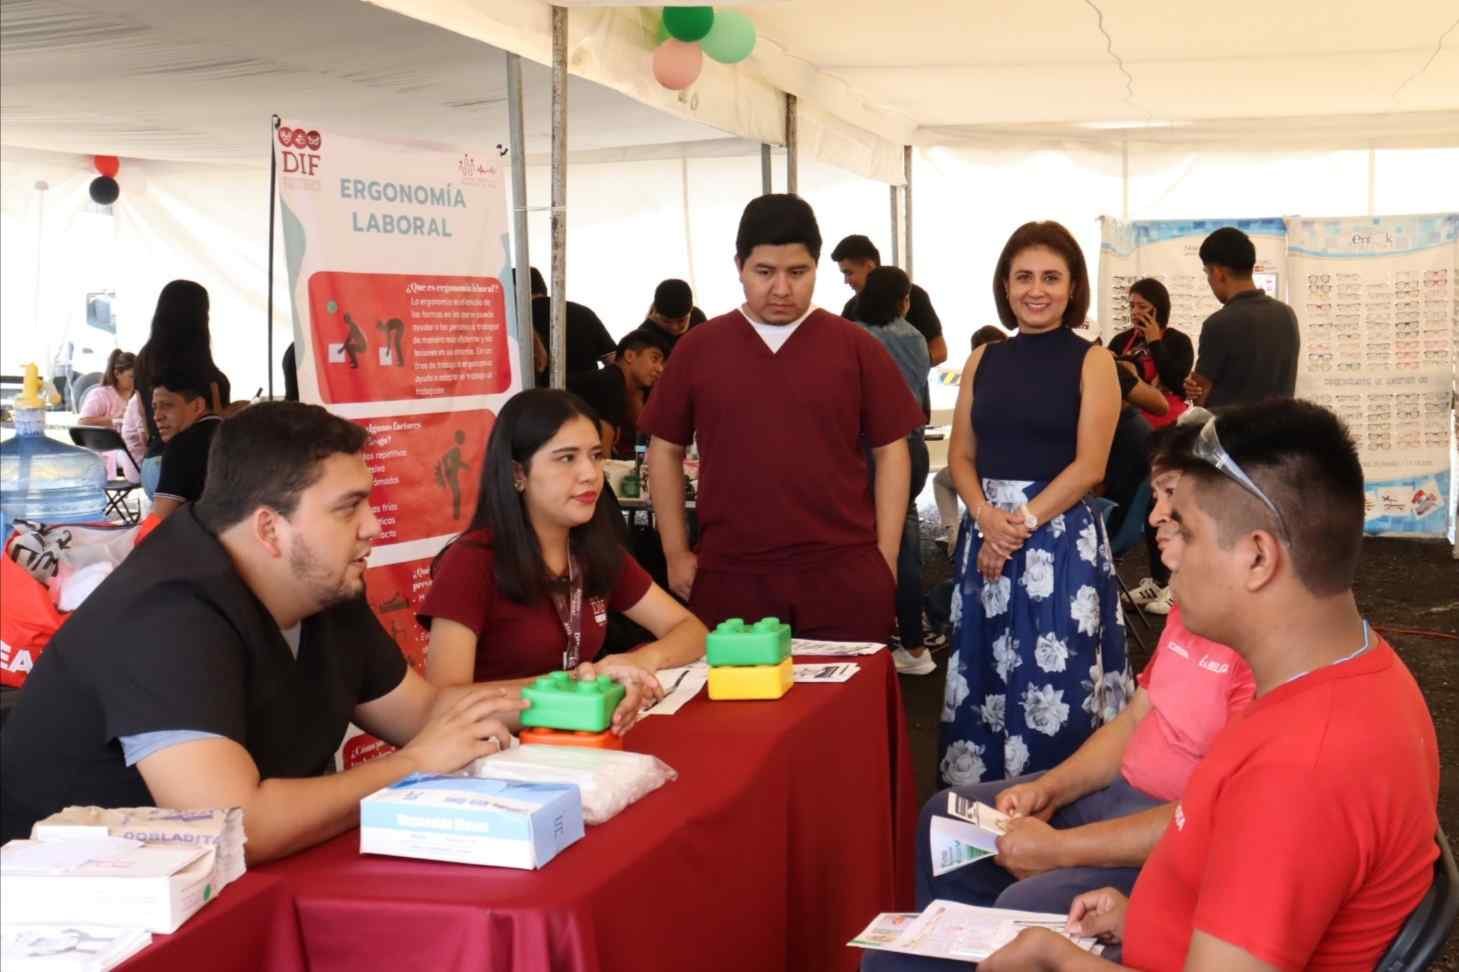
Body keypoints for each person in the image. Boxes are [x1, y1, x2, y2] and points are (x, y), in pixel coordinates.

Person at [983, 400, 1442, 972]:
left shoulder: (1302, 769)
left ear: (1256, 557)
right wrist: (1146, 916)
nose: (1168, 548)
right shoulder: (1344, 672)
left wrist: (1061, 961)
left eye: (1189, 534)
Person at [0, 403, 530, 860]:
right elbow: (237, 825)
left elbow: (424, 715)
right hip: (82, 925)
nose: (372, 526)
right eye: (349, 508)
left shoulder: (324, 587)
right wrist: (413, 767)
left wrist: (580, 688)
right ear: (269, 529)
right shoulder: (165, 615)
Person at [863, 430, 1257, 972]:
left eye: (1173, 499)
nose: (1157, 516)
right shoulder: (1196, 606)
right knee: (944, 823)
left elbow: (1213, 823)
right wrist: (1048, 787)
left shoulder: (1261, 648)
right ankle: (951, 949)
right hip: (1119, 799)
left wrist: (1060, 850)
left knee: (1024, 907)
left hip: (1162, 832)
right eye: (1158, 496)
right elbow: (1137, 718)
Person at [640, 195, 923, 641]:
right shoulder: (699, 348)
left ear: (815, 267)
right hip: (731, 573)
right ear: (739, 265)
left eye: (798, 272)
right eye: (764, 272)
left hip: (842, 572)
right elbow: (665, 449)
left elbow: (892, 450)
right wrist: (675, 552)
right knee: (736, 708)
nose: (781, 289)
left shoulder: (856, 346)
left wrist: (884, 557)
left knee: (845, 708)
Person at [940, 220, 1128, 787]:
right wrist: (984, 516)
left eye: (1051, 277)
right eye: (1023, 276)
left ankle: (1061, 817)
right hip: (987, 532)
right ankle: (980, 822)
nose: (1036, 289)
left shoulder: (1093, 361)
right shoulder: (983, 359)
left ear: (1073, 288)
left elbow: (1090, 467)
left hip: (1058, 541)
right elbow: (960, 457)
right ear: (1005, 284)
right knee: (984, 676)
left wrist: (1015, 525)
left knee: (1060, 681)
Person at [419, 389, 705, 718]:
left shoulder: (592, 549)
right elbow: (443, 701)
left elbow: (691, 630)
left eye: (596, 455)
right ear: (517, 474)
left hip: (575, 740)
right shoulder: (473, 559)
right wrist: (577, 686)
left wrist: (637, 661)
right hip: (495, 752)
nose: (590, 474)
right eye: (567, 458)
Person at [852, 267, 935, 675]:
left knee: (864, 545)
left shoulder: (852, 336)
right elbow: (919, 398)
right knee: (905, 545)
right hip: (914, 447)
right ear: (903, 300)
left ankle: (871, 640)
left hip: (870, 451)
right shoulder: (916, 338)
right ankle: (915, 645)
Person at [126, 280, 231, 499]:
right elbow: (211, 424)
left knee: (165, 531)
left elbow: (146, 418)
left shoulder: (145, 358)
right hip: (187, 466)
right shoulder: (194, 363)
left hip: (152, 463)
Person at [1182, 227, 1300, 409]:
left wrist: (1193, 388)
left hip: (1232, 434)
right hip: (1281, 432)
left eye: (1207, 273)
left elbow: (1200, 398)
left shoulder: (1218, 324)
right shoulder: (1287, 315)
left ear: (1218, 273)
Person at [932, 327, 1009, 550]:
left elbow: (963, 443)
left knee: (941, 480)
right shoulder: (1021, 375)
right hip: (1009, 469)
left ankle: (953, 533)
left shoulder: (975, 378)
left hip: (982, 466)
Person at [833, 234, 948, 366]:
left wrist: (909, 367)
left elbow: (940, 351)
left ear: (869, 267)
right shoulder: (851, 307)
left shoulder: (913, 295)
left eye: (849, 273)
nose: (846, 281)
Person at [567, 329, 668, 459]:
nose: (660, 369)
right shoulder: (611, 383)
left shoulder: (627, 387)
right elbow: (603, 454)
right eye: (654, 359)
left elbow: (642, 434)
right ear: (630, 356)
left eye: (662, 363)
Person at [1107, 279, 1192, 429]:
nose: (1135, 312)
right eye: (1132, 306)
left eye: (1142, 306)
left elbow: (1178, 385)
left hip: (1169, 423)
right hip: (1131, 424)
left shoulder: (1179, 341)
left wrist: (1154, 342)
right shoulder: (1120, 340)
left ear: (1158, 310)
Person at [149, 368, 226, 521]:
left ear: (197, 405)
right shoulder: (234, 432)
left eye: (167, 405)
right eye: (155, 407)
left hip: (207, 540)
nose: (157, 416)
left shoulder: (181, 445)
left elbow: (157, 521)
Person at [528, 267, 616, 382]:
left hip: (540, 397)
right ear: (543, 288)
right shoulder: (583, 312)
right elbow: (613, 362)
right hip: (586, 397)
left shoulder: (519, 320)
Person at [77, 348, 139, 481]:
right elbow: (83, 422)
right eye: (132, 377)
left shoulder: (138, 395)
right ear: (117, 373)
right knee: (132, 460)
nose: (136, 381)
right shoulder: (101, 394)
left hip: (135, 444)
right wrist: (115, 420)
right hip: (109, 449)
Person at [639, 279, 700, 359]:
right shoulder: (645, 336)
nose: (674, 327)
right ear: (656, 313)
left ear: (691, 310)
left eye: (681, 320)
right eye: (666, 321)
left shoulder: (697, 317)